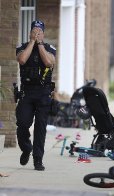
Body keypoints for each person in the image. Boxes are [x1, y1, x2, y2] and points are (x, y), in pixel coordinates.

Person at [16, 20, 56, 171]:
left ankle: (38, 159)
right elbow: (22, 59)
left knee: (40, 128)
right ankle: (26, 148)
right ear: (30, 32)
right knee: (22, 124)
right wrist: (32, 42)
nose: (37, 33)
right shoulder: (22, 47)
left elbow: (48, 63)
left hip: (43, 93)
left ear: (44, 34)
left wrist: (39, 44)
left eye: (40, 31)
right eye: (34, 31)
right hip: (27, 92)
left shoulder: (49, 48)